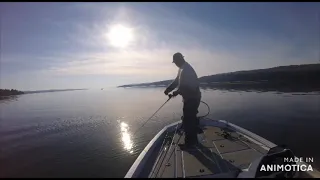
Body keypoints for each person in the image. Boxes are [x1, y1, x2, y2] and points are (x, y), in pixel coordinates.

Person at [164, 52, 201, 149]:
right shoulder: (181, 68)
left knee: (188, 120)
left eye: (175, 62)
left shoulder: (186, 69)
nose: (175, 64)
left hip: (193, 98)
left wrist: (174, 93)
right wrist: (168, 89)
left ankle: (190, 143)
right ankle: (194, 140)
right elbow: (177, 81)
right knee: (190, 118)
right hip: (189, 98)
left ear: (179, 60)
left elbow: (184, 87)